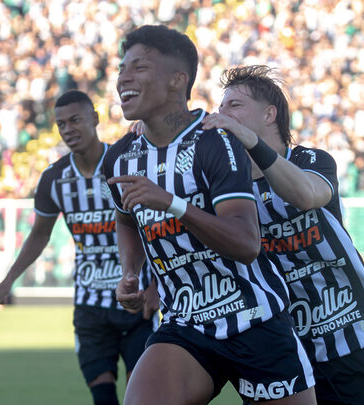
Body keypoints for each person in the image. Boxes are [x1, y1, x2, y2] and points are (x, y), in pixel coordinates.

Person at [102, 25, 316, 405]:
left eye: (138, 67)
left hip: (255, 320)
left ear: (176, 80)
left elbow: (246, 244)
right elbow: (125, 216)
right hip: (185, 324)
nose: (123, 78)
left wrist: (171, 204)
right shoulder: (120, 157)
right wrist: (130, 272)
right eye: (122, 68)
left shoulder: (215, 142)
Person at [201, 65, 364, 404]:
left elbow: (306, 195)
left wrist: (251, 142)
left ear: (269, 114)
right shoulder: (227, 185)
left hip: (339, 329)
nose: (222, 113)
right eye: (221, 106)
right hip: (276, 343)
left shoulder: (312, 160)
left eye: (234, 105)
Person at [0, 90, 158, 405]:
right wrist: (9, 279)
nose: (68, 129)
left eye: (76, 120)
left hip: (136, 301)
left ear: (94, 119)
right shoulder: (54, 178)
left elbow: (157, 225)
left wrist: (157, 284)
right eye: (61, 124)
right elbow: (39, 234)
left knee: (143, 396)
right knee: (102, 397)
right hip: (89, 305)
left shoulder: (125, 162)